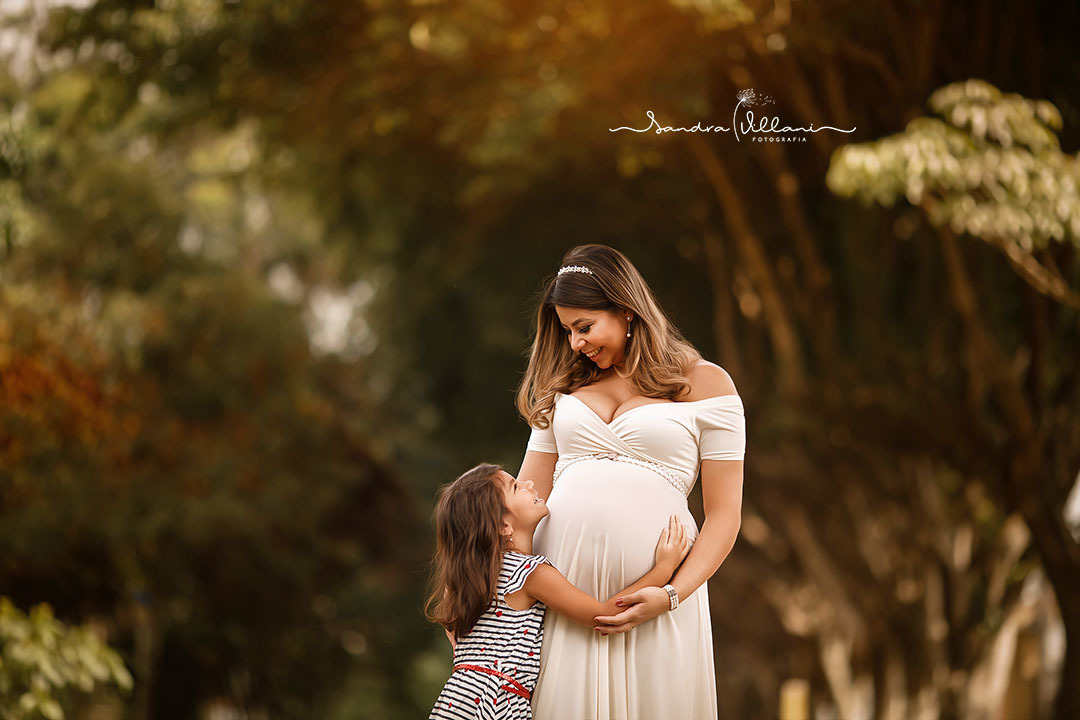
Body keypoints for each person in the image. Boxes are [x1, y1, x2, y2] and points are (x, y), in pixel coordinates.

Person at [515, 244, 746, 719]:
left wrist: (671, 595)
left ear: (625, 310)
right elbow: (522, 502)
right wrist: (488, 589)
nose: (576, 343)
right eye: (567, 331)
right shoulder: (562, 390)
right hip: (566, 602)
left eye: (584, 327)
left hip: (659, 607)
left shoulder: (708, 385)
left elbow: (725, 516)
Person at [426, 462, 691, 720]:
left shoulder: (473, 577)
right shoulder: (529, 573)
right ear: (504, 526)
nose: (529, 483)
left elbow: (453, 630)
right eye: (516, 487)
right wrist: (663, 570)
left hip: (459, 694)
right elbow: (599, 615)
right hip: (496, 700)